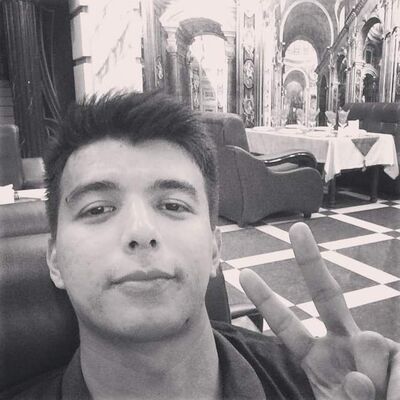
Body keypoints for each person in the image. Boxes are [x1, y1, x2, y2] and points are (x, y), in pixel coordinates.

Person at [13, 91, 399, 399]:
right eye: (98, 209)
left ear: (215, 249)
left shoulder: (315, 386)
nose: (140, 230)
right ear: (55, 259)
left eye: (173, 205)